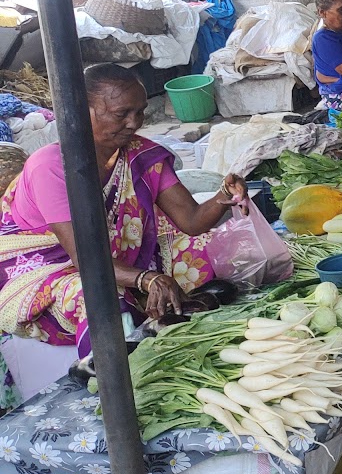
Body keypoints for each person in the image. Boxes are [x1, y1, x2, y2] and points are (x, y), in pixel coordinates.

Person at [0, 66, 247, 363]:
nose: (134, 123)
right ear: (81, 110)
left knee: (211, 249)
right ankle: (110, 373)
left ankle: (177, 321)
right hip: (45, 270)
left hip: (117, 257)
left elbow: (191, 221)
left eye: (140, 111)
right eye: (121, 114)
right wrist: (147, 279)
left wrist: (223, 197)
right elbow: (85, 259)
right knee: (96, 294)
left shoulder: (141, 154)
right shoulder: (52, 167)